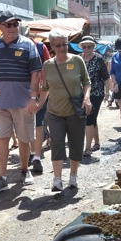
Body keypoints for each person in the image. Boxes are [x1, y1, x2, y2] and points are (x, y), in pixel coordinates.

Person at [0, 10, 42, 192]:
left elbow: (35, 73)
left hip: (23, 103)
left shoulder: (28, 45)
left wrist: (33, 98)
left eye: (15, 24)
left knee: (23, 139)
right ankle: (2, 177)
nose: (13, 28)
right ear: (0, 27)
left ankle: (24, 171)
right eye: (8, 25)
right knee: (2, 139)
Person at [37, 29, 92, 191]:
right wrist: (39, 105)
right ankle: (57, 179)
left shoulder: (77, 61)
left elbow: (86, 82)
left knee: (76, 144)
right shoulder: (47, 65)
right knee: (57, 144)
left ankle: (73, 176)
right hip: (55, 112)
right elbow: (45, 88)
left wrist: (86, 97)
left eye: (65, 44)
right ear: (52, 46)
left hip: (76, 111)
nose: (63, 48)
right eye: (59, 45)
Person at [20, 25, 51, 174]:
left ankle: (36, 157)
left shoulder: (40, 47)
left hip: (38, 92)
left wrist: (44, 90)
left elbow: (48, 68)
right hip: (20, 94)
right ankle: (33, 154)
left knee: (37, 124)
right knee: (26, 125)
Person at [79, 35, 110, 156]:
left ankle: (87, 148)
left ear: (93, 47)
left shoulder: (98, 59)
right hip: (81, 94)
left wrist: (107, 93)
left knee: (89, 119)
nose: (86, 49)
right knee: (92, 119)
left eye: (89, 47)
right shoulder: (78, 59)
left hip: (96, 93)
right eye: (84, 46)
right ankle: (96, 143)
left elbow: (106, 77)